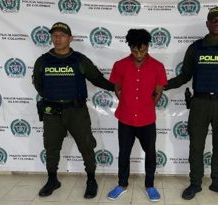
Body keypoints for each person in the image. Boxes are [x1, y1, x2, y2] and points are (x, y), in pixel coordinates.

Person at [164, 7, 218, 200]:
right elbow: (185, 76)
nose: (217, 23)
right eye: (213, 20)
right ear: (207, 23)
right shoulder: (195, 47)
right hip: (200, 103)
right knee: (196, 146)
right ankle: (195, 183)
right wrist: (163, 86)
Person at [32, 22, 114, 198]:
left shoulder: (79, 60)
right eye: (54, 35)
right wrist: (52, 98)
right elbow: (38, 84)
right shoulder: (43, 61)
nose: (57, 38)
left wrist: (117, 88)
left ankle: (91, 180)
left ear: (70, 38)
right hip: (51, 112)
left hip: (76, 111)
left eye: (62, 35)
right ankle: (52, 179)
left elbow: (97, 79)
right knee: (51, 147)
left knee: (86, 146)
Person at [107, 29, 167, 202]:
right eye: (135, 50)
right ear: (130, 47)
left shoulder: (158, 66)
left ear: (148, 46)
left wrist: (146, 106)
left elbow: (159, 91)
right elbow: (117, 88)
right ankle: (122, 184)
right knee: (124, 152)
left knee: (150, 153)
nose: (139, 54)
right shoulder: (120, 65)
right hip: (125, 118)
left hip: (147, 119)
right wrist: (127, 103)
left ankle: (150, 185)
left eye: (143, 50)